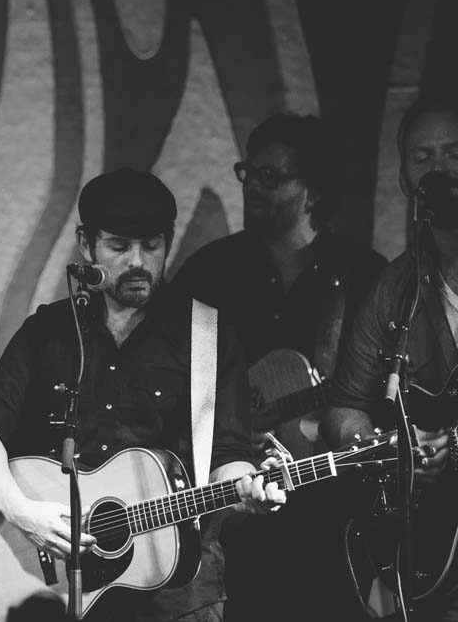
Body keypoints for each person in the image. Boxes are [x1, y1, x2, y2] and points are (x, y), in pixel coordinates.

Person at [0, 168, 286, 622]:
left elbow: (227, 453)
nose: (138, 261)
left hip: (177, 592)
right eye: (119, 246)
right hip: (57, 593)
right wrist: (22, 513)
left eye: (152, 246)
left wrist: (249, 490)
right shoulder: (47, 331)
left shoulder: (207, 336)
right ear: (86, 245)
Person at [172, 114, 386, 622]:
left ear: (312, 190)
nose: (252, 188)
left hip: (329, 516)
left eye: (271, 177)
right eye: (248, 173)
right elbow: (165, 376)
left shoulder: (363, 277)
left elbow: (382, 395)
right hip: (231, 520)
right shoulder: (209, 272)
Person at [323, 96, 458, 621]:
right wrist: (397, 451)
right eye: (422, 157)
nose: (439, 169)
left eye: (453, 152)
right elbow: (343, 409)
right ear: (404, 178)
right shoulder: (395, 288)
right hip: (436, 550)